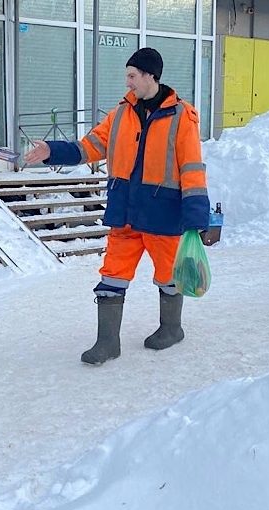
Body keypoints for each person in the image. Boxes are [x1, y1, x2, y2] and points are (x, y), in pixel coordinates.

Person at [24, 47, 211, 365]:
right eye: (127, 76)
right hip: (125, 209)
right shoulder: (121, 113)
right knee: (112, 274)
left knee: (169, 275)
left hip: (163, 212)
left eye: (132, 76)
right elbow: (91, 146)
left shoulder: (183, 116)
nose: (128, 83)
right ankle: (107, 342)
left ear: (151, 76)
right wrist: (52, 151)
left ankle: (171, 328)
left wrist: (196, 216)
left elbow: (191, 167)